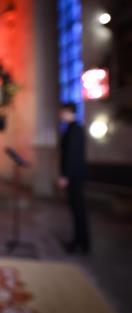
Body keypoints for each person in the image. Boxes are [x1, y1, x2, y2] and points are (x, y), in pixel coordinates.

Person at [58, 102, 90, 254]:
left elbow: (72, 156)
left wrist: (65, 176)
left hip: (75, 176)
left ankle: (82, 242)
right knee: (76, 210)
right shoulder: (72, 129)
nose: (61, 115)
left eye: (63, 112)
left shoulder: (75, 130)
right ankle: (80, 241)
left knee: (79, 210)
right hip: (74, 176)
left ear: (69, 112)